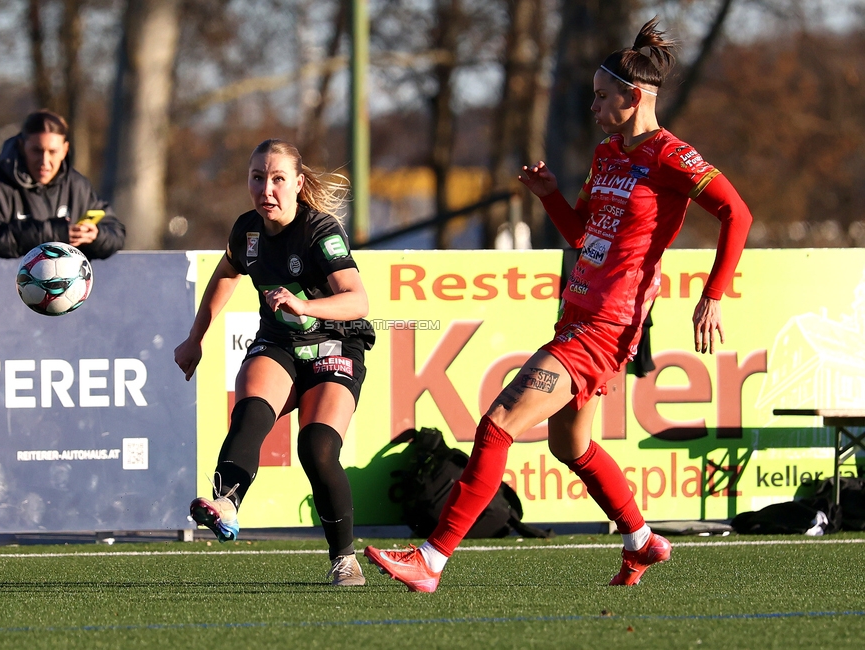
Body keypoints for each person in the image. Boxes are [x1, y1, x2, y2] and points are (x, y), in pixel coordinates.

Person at [365, 18, 752, 592]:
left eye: (601, 97)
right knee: (570, 445)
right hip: (579, 313)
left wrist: (711, 296)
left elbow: (737, 214)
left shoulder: (672, 156)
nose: (593, 106)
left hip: (608, 323)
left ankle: (432, 559)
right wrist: (549, 198)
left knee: (497, 424)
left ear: (634, 97)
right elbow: (583, 236)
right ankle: (642, 540)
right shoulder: (607, 155)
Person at [174, 139, 375, 586]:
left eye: (278, 179)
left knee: (317, 449)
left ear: (298, 184)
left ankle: (345, 559)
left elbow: (357, 301)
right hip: (280, 342)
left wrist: (306, 309)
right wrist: (195, 338)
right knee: (248, 415)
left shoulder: (320, 230)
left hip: (334, 343)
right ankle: (226, 505)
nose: (267, 188)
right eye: (258, 178)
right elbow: (227, 273)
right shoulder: (247, 231)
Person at [0, 110, 125, 259]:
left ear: (65, 150)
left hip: (34, 291)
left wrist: (95, 236)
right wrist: (57, 234)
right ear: (21, 146)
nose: (44, 161)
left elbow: (116, 233)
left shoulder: (77, 185)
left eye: (52, 151)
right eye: (37, 150)